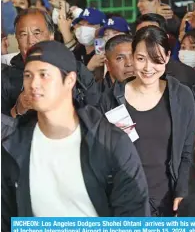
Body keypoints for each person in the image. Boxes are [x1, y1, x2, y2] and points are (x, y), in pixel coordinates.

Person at [1, 41, 150, 230]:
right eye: (28, 76)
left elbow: (133, 217)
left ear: (70, 80)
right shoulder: (13, 147)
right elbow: (7, 219)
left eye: (44, 75)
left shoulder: (109, 142)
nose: (34, 84)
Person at [99, 26, 195, 216]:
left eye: (156, 59)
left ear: (168, 57)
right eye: (141, 59)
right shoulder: (111, 99)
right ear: (133, 57)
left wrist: (182, 192)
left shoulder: (181, 96)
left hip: (168, 201)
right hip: (124, 202)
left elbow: (188, 150)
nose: (148, 68)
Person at [1, 8, 100, 118]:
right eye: (23, 34)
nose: (30, 41)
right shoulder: (5, 78)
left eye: (37, 33)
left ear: (51, 36)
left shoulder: (75, 70)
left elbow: (96, 116)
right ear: (17, 40)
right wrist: (17, 110)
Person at [135, 13, 195, 118]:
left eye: (152, 34)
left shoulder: (184, 76)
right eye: (141, 35)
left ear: (165, 38)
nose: (146, 39)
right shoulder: (130, 75)